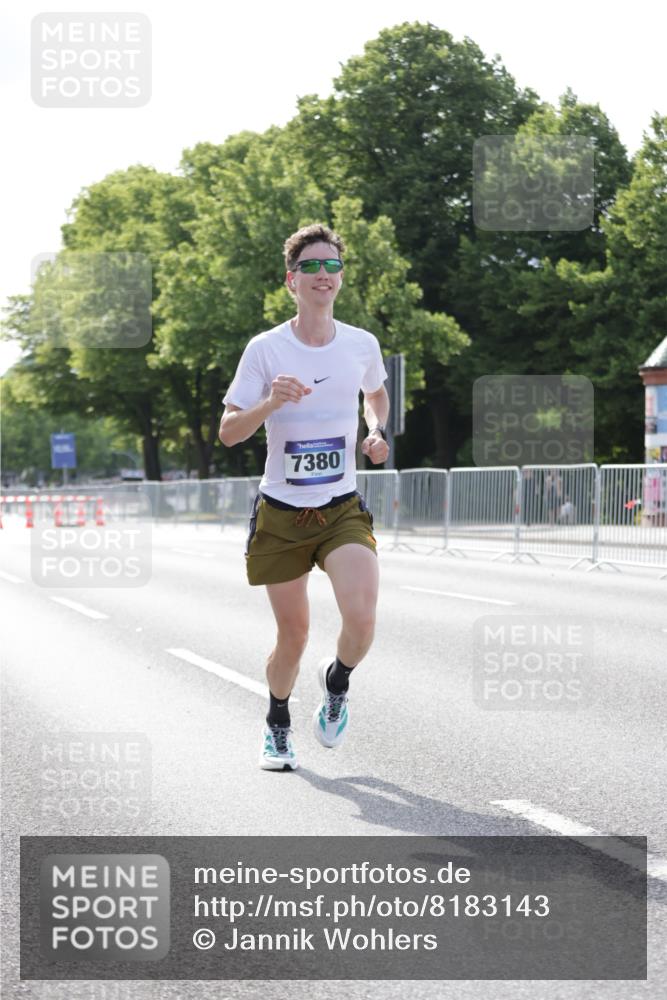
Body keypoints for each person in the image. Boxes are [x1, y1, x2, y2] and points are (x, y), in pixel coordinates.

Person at [218, 224, 390, 771]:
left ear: (341, 277)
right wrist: (270, 403)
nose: (324, 275)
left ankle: (336, 682)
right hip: (282, 513)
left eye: (332, 266)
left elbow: (376, 393)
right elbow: (227, 432)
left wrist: (376, 430)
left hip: (340, 506)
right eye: (312, 267)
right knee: (293, 634)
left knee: (361, 620)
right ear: (292, 280)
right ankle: (277, 722)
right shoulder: (266, 349)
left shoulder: (361, 344)